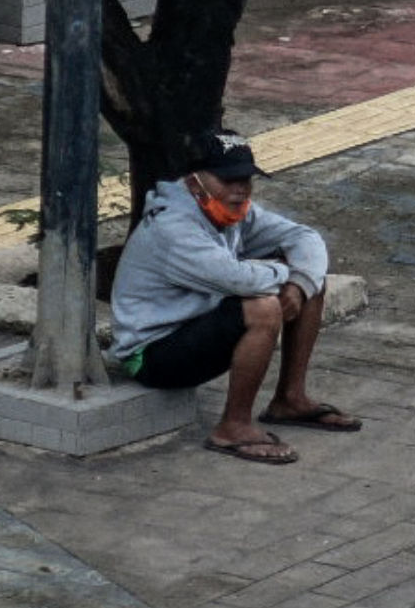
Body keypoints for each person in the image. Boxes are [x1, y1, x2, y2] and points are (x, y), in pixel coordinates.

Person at [108, 133, 359, 465]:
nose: (240, 189)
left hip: (194, 326)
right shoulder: (173, 228)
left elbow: (305, 237)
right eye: (227, 180)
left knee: (310, 282)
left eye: (245, 179)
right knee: (263, 307)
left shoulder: (229, 210)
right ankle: (233, 427)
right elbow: (237, 278)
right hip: (151, 354)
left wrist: (299, 283)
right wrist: (287, 275)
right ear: (195, 184)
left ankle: (290, 399)